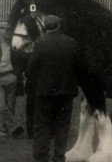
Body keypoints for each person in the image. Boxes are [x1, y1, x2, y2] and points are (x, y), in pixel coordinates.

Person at [26, 15, 80, 162]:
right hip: (66, 92)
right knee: (62, 126)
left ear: (45, 26)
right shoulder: (71, 43)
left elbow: (31, 70)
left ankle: (42, 157)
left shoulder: (40, 43)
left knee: (42, 126)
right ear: (59, 26)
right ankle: (59, 157)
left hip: (44, 92)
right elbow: (78, 68)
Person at [0, 22, 24, 139]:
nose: (4, 31)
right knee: (1, 106)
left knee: (11, 105)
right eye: (2, 28)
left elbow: (21, 60)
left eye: (6, 29)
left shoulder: (13, 45)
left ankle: (6, 130)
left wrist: (16, 75)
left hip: (10, 76)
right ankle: (15, 126)